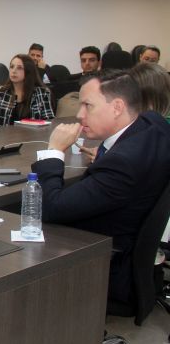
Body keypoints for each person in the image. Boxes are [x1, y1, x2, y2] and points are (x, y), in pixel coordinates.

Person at [30, 71, 170, 303]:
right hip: (127, 247)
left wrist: (54, 151)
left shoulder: (123, 163)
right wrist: (108, 154)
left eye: (88, 106)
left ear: (117, 107)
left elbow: (50, 208)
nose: (79, 115)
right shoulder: (153, 124)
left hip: (105, 266)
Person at [0, 54, 54, 128]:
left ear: (29, 71)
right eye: (12, 67)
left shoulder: (42, 93)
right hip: (5, 135)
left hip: (33, 135)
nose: (14, 71)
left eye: (19, 68)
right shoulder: (1, 91)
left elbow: (49, 121)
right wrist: (1, 132)